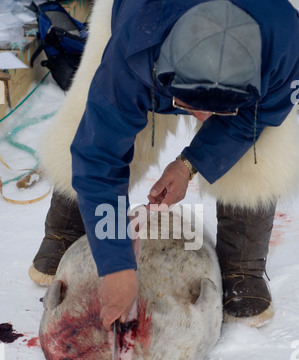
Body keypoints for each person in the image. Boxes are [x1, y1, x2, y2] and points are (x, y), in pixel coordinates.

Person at [29, 0, 299, 330]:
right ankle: (65, 226)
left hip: (262, 35)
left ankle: (243, 264)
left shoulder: (286, 47)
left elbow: (257, 119)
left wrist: (189, 163)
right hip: (145, 21)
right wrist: (116, 266)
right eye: (188, 105)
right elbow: (99, 153)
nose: (200, 118)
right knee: (91, 121)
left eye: (217, 111)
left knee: (261, 145)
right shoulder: (133, 51)